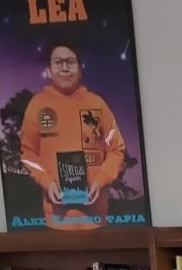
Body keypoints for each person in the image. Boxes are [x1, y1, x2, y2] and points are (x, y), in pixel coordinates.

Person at [17, 38, 129, 230]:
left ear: (80, 68)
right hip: (56, 223)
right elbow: (28, 154)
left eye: (70, 62)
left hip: (96, 221)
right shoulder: (37, 105)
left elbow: (116, 149)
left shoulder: (97, 104)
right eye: (58, 62)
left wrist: (100, 180)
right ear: (49, 69)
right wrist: (47, 182)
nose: (65, 68)